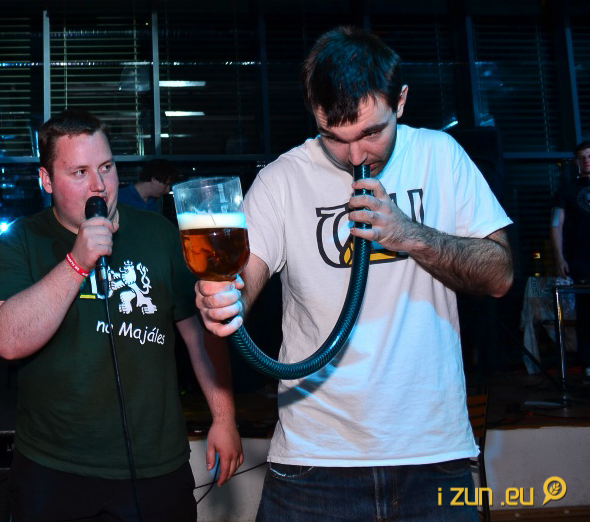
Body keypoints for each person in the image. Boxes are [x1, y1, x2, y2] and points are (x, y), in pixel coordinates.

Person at [196, 26, 513, 522]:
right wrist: (226, 296)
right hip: (314, 463)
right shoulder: (282, 178)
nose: (357, 156)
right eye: (335, 138)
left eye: (371, 133)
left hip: (431, 456)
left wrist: (410, 235)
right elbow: (246, 274)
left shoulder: (440, 156)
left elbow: (500, 274)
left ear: (400, 101)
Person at [0, 109, 243, 522]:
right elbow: (7, 340)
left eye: (106, 167)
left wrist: (225, 419)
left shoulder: (160, 234)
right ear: (46, 180)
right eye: (79, 172)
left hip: (154, 465)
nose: (99, 185)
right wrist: (76, 263)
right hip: (53, 468)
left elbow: (201, 336)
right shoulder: (21, 240)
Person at [550, 140, 590, 381]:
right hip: (581, 259)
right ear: (576, 162)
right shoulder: (567, 188)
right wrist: (559, 257)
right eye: (582, 157)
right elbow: (556, 223)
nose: (587, 160)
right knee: (586, 312)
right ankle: (588, 364)